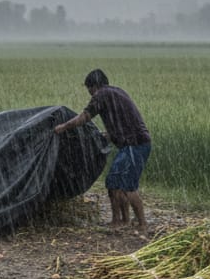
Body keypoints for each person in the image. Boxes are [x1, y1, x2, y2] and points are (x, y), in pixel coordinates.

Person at [54, 68, 151, 229]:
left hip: (136, 145)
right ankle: (121, 220)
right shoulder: (117, 92)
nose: (90, 94)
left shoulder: (101, 95)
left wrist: (63, 127)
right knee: (114, 182)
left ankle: (142, 223)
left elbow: (84, 117)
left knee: (128, 186)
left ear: (94, 86)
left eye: (89, 90)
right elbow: (123, 120)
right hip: (132, 144)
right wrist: (109, 134)